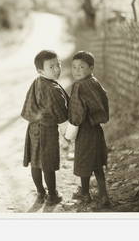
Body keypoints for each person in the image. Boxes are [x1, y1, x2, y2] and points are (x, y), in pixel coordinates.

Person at [21, 50, 69, 206]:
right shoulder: (52, 89)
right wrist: (68, 133)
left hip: (33, 127)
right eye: (51, 67)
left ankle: (41, 192)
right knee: (47, 162)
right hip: (47, 129)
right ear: (40, 70)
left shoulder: (37, 82)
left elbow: (28, 105)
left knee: (36, 161)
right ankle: (52, 195)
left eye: (58, 64)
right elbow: (62, 114)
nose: (57, 69)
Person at [65, 51, 111, 207]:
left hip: (84, 130)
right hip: (96, 129)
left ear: (91, 68)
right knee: (97, 163)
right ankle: (103, 195)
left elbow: (77, 111)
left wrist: (71, 127)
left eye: (81, 67)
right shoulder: (94, 82)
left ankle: (85, 194)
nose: (77, 70)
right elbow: (104, 100)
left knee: (84, 162)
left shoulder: (78, 85)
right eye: (74, 67)